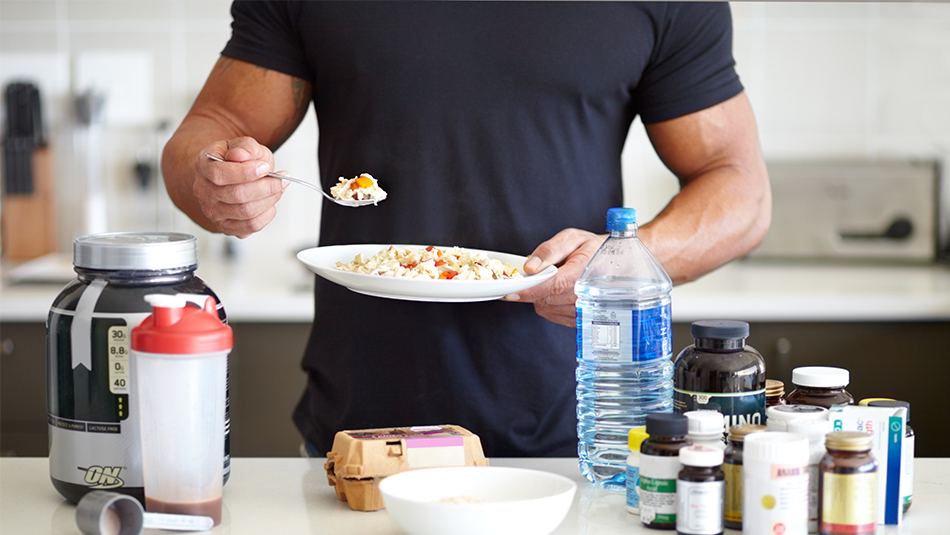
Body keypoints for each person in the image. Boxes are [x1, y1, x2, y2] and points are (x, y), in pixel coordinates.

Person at [162, 1, 770, 457]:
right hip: (358, 438)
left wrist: (622, 267)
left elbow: (740, 189)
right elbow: (210, 129)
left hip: (571, 440)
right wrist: (210, 175)